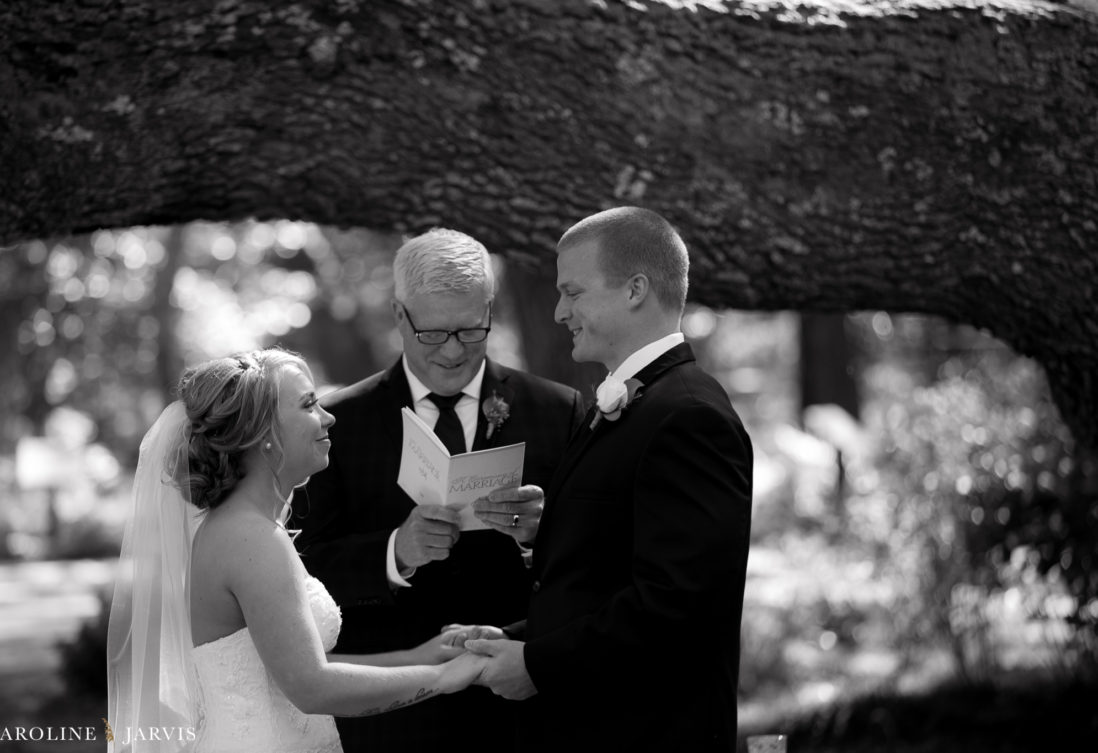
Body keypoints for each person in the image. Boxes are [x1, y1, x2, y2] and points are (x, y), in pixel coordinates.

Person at [465, 207, 754, 752]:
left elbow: (678, 605)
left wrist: (537, 664)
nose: (557, 312)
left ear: (635, 289)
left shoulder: (689, 415)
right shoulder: (638, 404)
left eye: (572, 292)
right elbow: (613, 574)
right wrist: (514, 640)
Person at [106, 349, 487, 753]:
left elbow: (301, 668)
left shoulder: (243, 528)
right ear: (263, 433)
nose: (328, 417)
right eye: (309, 405)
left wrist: (423, 657)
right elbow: (313, 688)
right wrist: (444, 679)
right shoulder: (252, 539)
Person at [293, 228, 585, 752]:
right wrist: (394, 553)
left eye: (471, 331)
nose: (452, 352)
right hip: (395, 716)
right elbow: (302, 568)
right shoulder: (341, 422)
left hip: (524, 709)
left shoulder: (559, 411)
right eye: (433, 333)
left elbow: (594, 564)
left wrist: (539, 536)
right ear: (400, 316)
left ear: (490, 310)